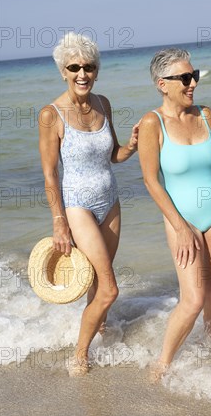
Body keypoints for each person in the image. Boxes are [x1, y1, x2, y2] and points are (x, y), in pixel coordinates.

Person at [138, 48, 211, 382]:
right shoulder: (151, 123)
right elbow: (151, 181)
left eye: (194, 76)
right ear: (162, 84)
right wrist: (181, 227)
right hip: (180, 219)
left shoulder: (206, 114)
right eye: (185, 78)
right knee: (193, 297)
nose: (192, 84)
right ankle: (162, 364)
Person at [38, 32, 139, 376]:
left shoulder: (103, 104)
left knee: (98, 281)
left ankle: (101, 330)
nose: (82, 73)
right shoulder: (51, 115)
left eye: (89, 67)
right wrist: (59, 221)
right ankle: (79, 354)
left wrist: (133, 145)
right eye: (74, 67)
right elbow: (50, 174)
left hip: (109, 200)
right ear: (63, 72)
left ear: (96, 70)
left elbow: (113, 155)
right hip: (78, 206)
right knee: (110, 288)